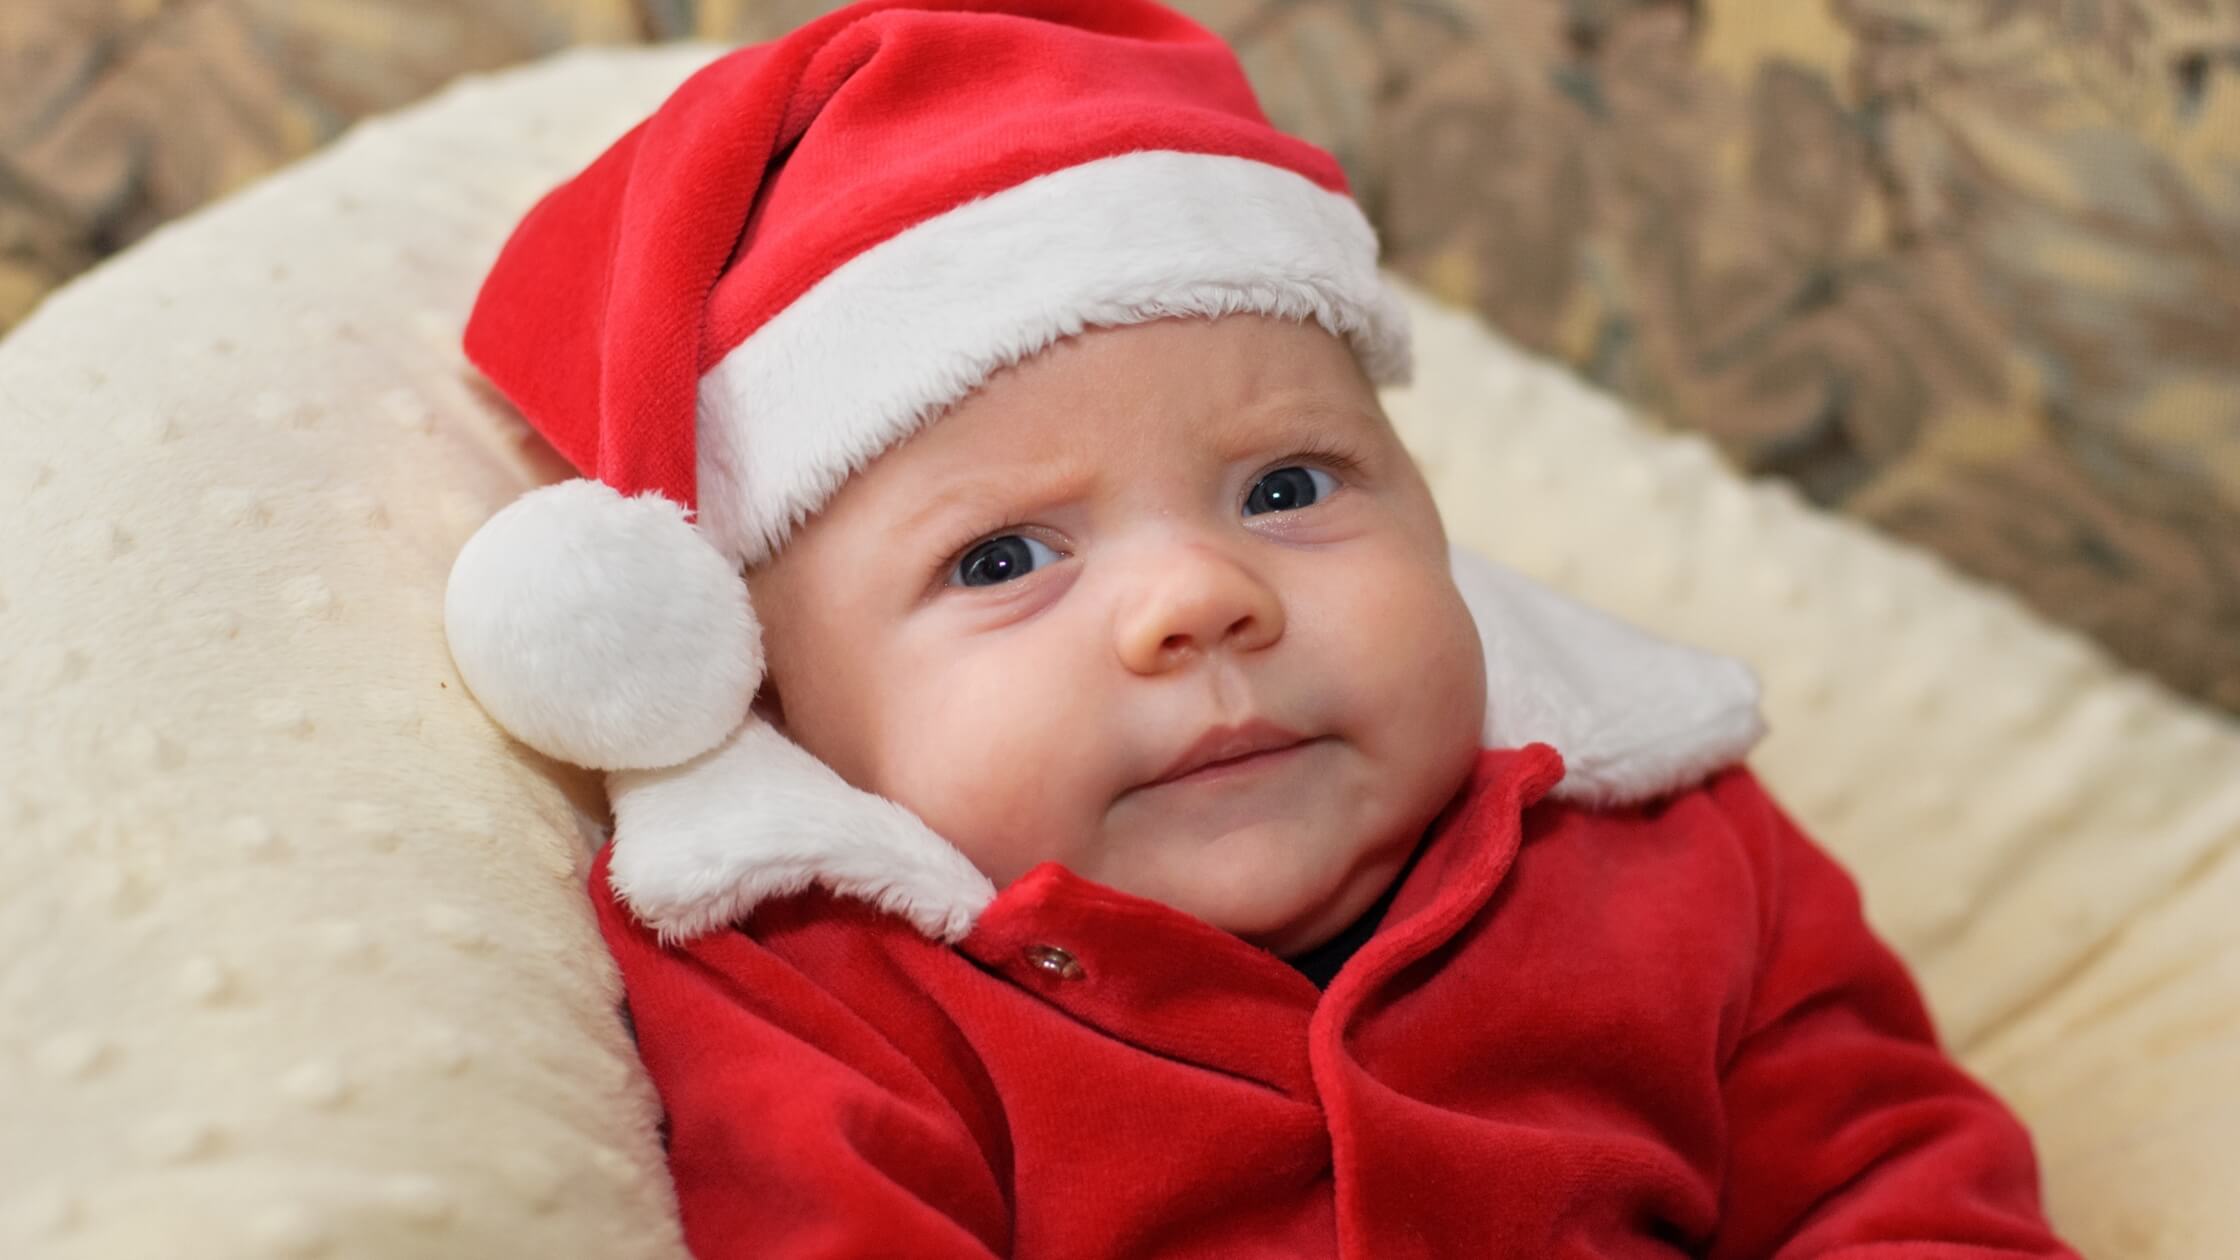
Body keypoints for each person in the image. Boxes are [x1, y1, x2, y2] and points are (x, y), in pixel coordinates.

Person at [439, 1, 2082, 1254]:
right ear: (782, 694)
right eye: (1006, 556)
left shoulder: (1667, 838)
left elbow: (1894, 1175)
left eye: (1288, 487)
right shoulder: (821, 992)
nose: (1199, 598)